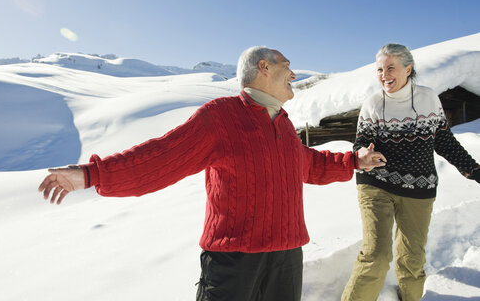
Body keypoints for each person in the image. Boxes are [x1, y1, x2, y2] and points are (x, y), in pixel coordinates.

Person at [38, 46, 386, 301]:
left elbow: (307, 164)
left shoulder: (281, 122)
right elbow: (161, 156)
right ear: (263, 67)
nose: (294, 74)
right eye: (287, 66)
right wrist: (91, 174)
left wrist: (354, 162)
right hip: (234, 261)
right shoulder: (221, 117)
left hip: (287, 258)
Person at [341, 43, 480, 301]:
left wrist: (472, 169)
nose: (384, 75)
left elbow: (444, 142)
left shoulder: (428, 99)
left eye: (390, 68)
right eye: (380, 69)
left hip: (419, 187)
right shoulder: (373, 104)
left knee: (412, 258)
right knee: (377, 254)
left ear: (408, 68)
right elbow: (360, 144)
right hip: (376, 182)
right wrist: (364, 154)